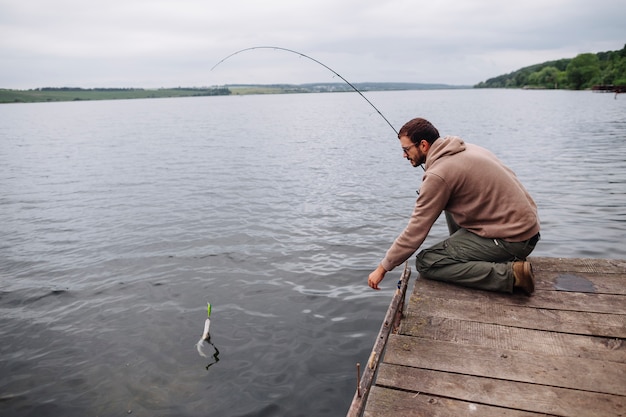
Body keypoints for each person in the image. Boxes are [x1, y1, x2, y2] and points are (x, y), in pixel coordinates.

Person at [368, 117, 540, 295]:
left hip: (514, 240)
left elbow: (415, 231)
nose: (404, 155)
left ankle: (512, 275)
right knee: (449, 202)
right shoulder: (463, 148)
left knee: (426, 262)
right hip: (526, 227)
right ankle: (472, 256)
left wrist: (382, 268)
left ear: (424, 145)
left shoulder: (439, 175)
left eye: (406, 149)